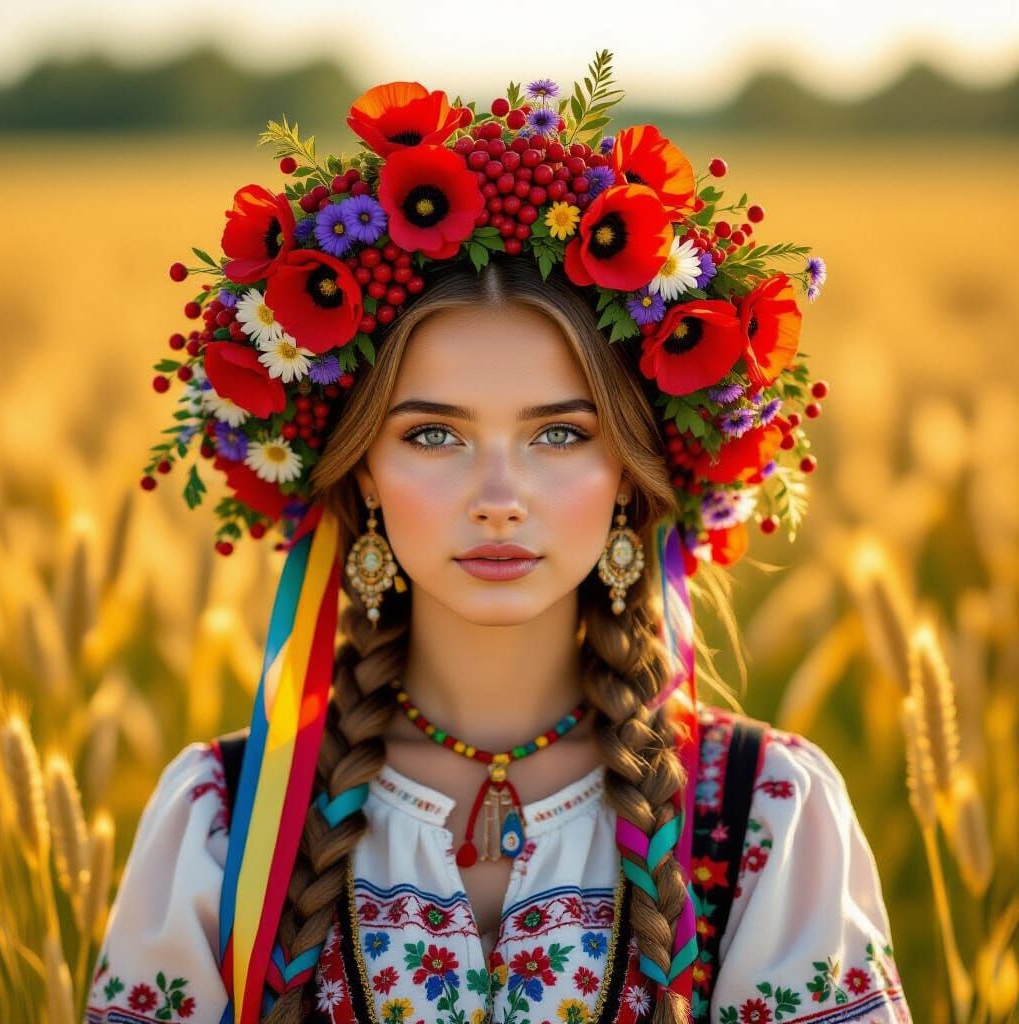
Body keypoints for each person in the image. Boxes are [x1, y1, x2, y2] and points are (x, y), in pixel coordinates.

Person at [85, 65, 912, 1024]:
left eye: (560, 434)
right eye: (433, 435)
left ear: (631, 479)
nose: (498, 498)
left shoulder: (765, 815)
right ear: (360, 474)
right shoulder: (224, 827)